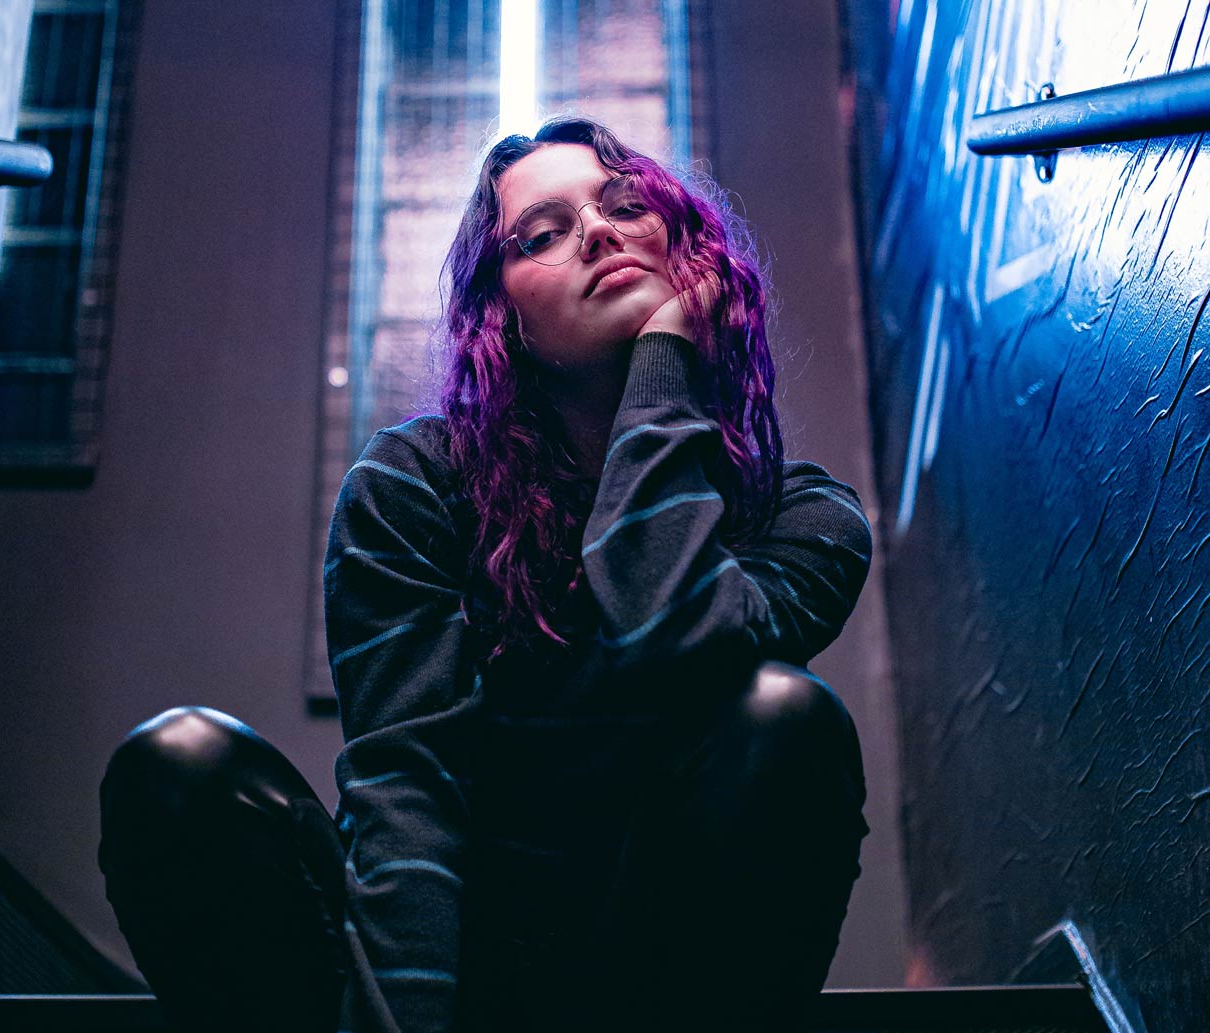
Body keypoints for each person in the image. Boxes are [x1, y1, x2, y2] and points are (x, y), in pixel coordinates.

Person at [98, 116, 871, 1033]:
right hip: (462, 967)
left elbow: (675, 636)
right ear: (502, 315)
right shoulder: (413, 485)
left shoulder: (802, 518)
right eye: (542, 233)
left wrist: (662, 370)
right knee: (180, 763)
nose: (599, 232)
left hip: (653, 972)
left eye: (628, 205)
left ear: (688, 251)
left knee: (785, 713)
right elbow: (409, 787)